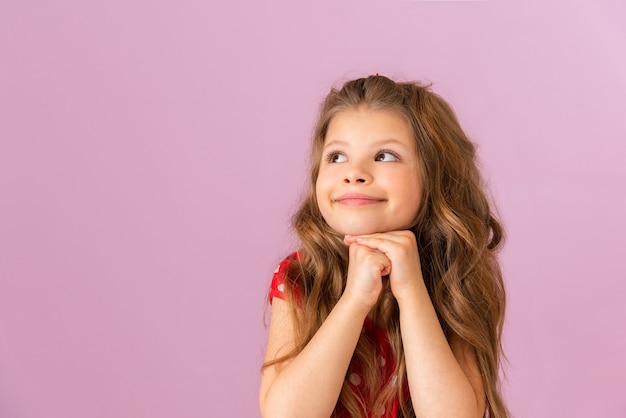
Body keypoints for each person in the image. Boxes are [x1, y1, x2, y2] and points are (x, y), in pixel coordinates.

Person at [259, 75, 509, 418]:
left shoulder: (455, 276)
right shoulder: (301, 276)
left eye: (385, 155)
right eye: (337, 157)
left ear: (434, 175)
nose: (354, 173)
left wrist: (412, 292)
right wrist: (354, 300)